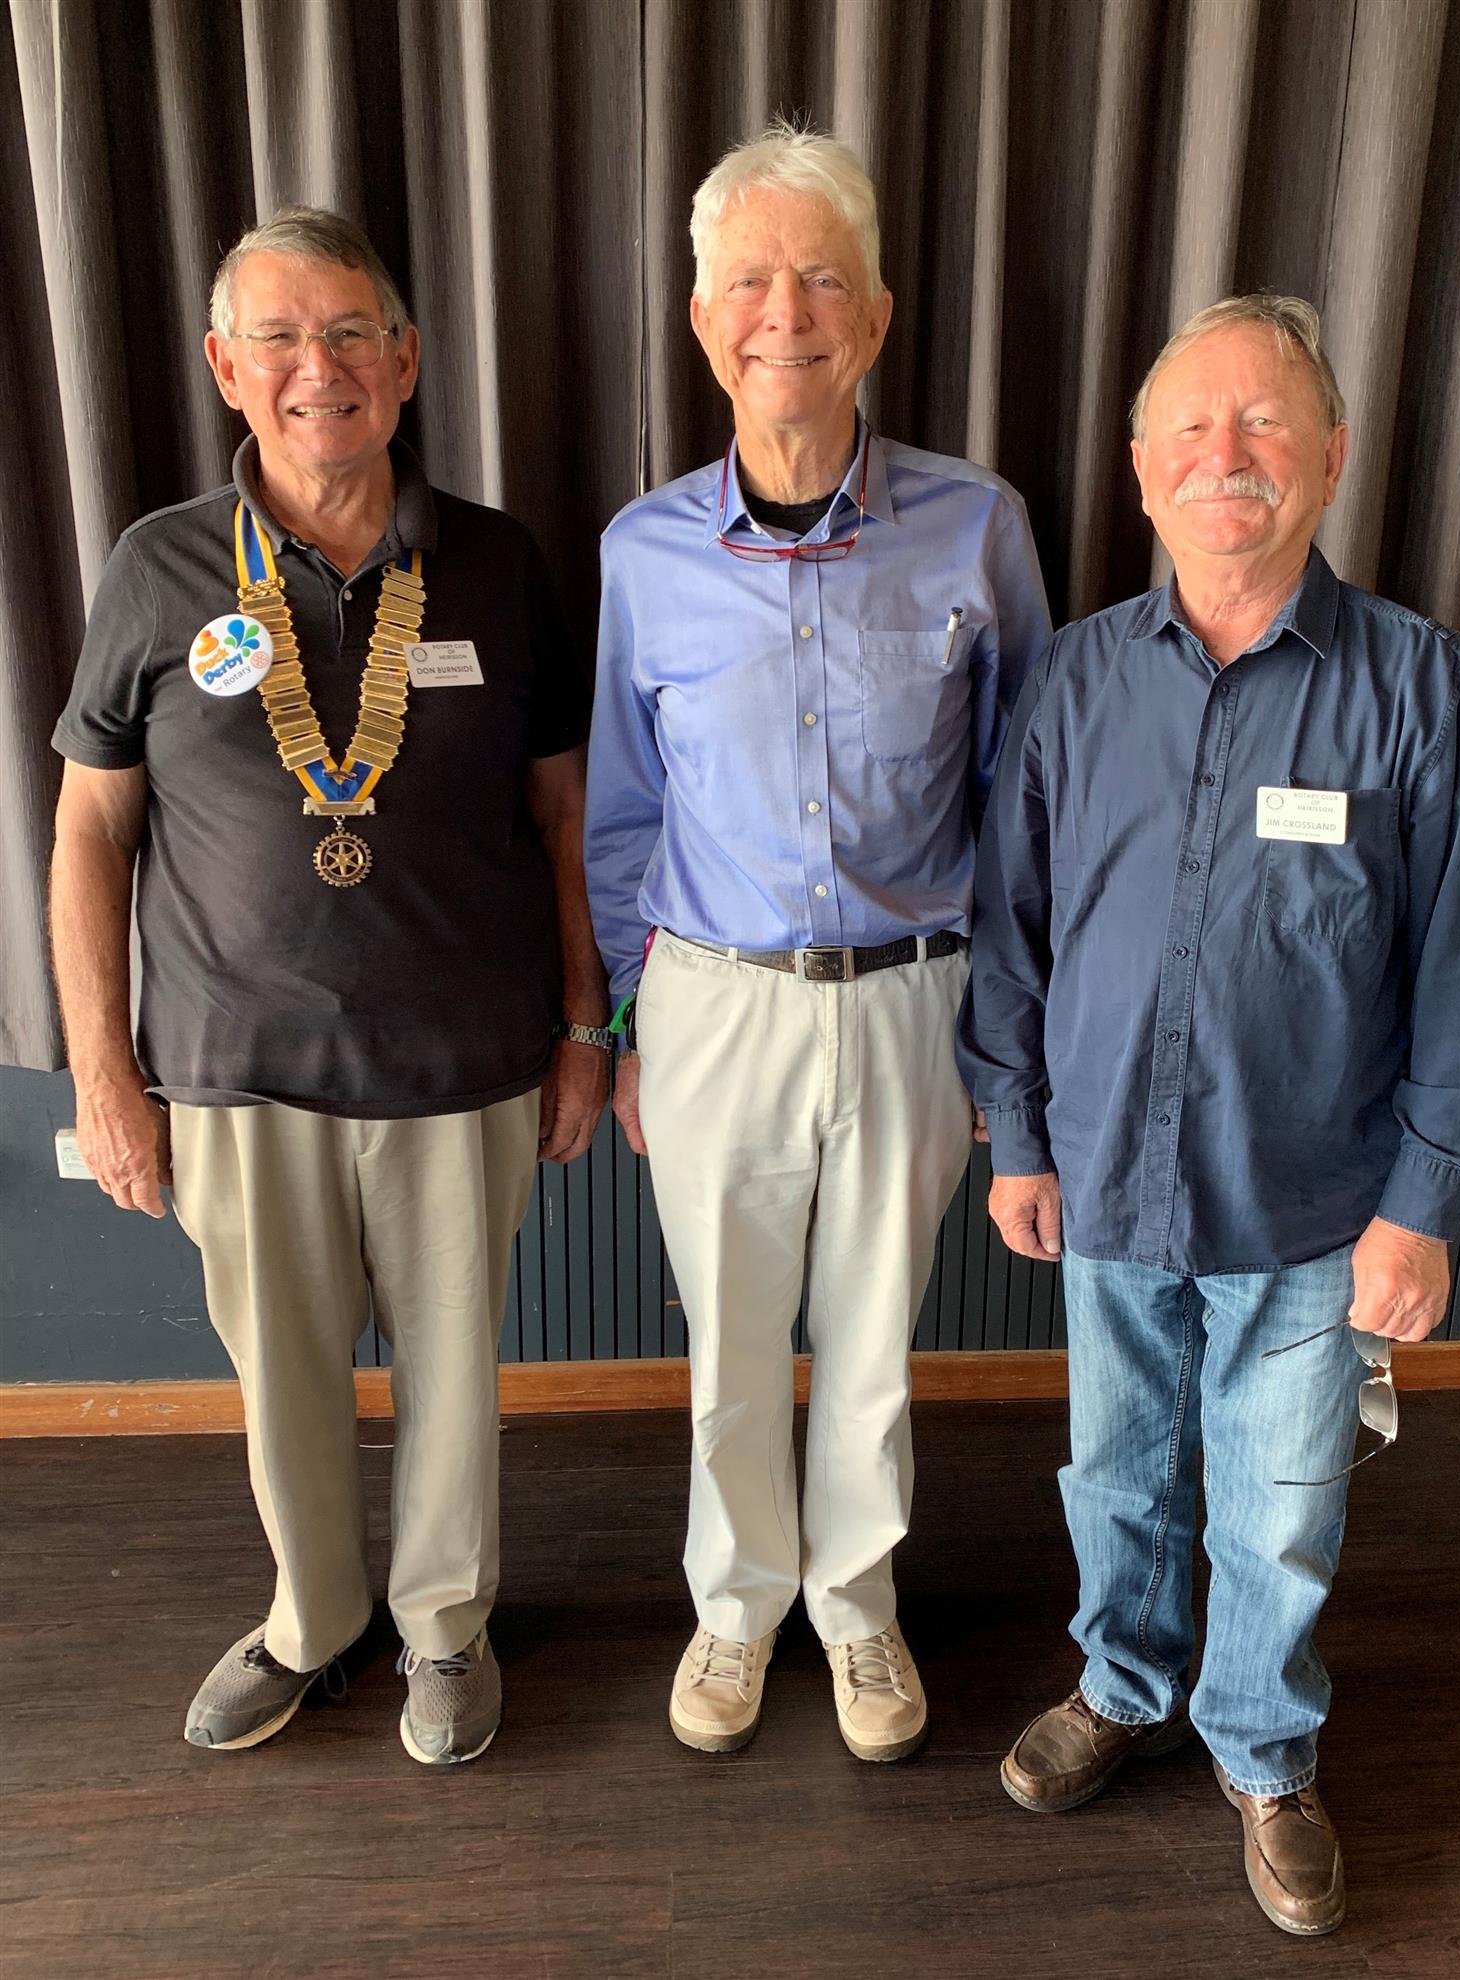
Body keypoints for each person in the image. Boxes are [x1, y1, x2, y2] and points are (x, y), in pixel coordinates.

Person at [959, 294, 1460, 1933]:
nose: (1226, 454)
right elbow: (1010, 924)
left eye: (1266, 421)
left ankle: (1263, 1749)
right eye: (1192, 427)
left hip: (1318, 1203)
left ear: (1332, 457)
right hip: (1103, 1182)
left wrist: (1423, 1205)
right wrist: (1019, 1132)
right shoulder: (1077, 679)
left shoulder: (1423, 689)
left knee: (1282, 1509)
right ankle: (1123, 1684)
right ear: (1142, 468)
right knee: (1115, 1473)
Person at [50, 205, 610, 1766]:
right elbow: (89, 827)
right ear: (227, 367)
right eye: (281, 339)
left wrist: (587, 1027)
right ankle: (312, 1620)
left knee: (455, 1378)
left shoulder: (495, 562)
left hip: (466, 1063)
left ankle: (444, 1626)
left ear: (407, 359)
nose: (321, 368)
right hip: (238, 1070)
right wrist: (104, 1071)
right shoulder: (158, 567)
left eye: (352, 333)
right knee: (280, 1384)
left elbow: (567, 816)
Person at [585, 123, 1050, 1762]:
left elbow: (1023, 804)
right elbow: (622, 816)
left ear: (878, 315)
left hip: (913, 1003)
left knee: (871, 1346)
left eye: (822, 280)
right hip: (712, 1007)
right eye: (748, 283)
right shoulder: (641, 552)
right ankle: (735, 1607)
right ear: (701, 319)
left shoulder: (980, 527)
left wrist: (1003, 1037)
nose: (784, 314)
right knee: (728, 1344)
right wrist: (631, 1026)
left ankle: (857, 1611)